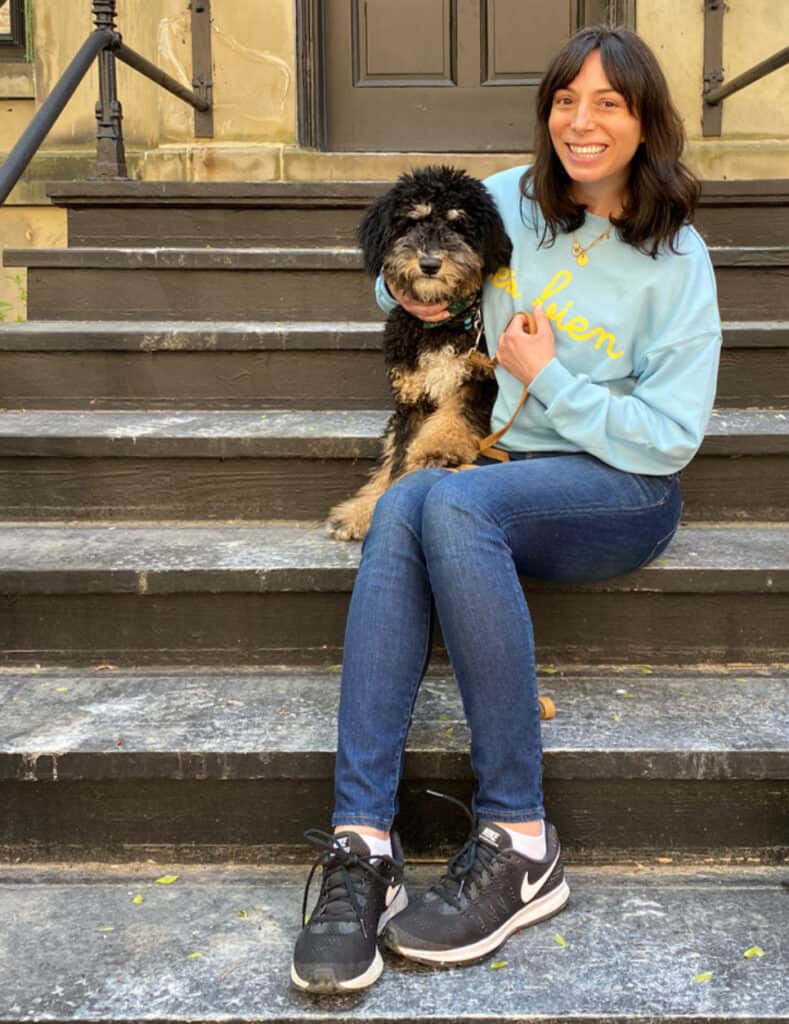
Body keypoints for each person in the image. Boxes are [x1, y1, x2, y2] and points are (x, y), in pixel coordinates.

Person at [290, 25, 722, 993]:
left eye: (609, 101)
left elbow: (669, 437)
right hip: (498, 471)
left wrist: (550, 379)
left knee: (450, 506)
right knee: (413, 506)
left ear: (647, 120)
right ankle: (363, 842)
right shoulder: (505, 203)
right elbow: (393, 265)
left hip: (620, 489)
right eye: (567, 100)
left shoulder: (677, 260)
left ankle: (521, 836)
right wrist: (434, 301)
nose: (583, 120)